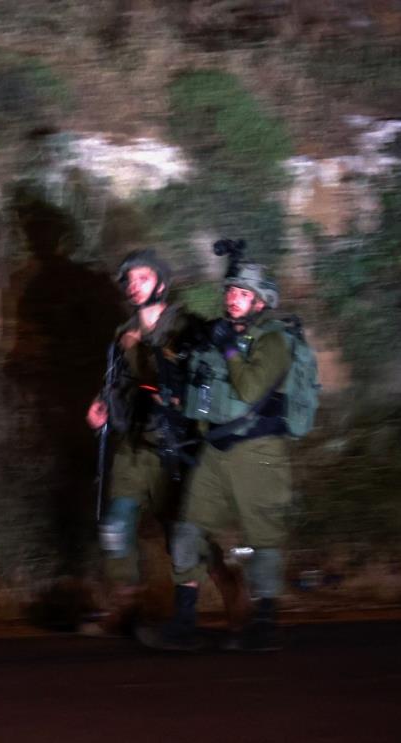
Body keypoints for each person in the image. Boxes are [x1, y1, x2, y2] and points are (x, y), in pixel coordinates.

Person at [138, 260, 292, 652]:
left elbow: (249, 389)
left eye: (243, 294)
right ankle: (184, 620)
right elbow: (202, 394)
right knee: (187, 527)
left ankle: (264, 621)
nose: (233, 299)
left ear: (260, 303)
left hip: (258, 452)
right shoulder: (217, 335)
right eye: (230, 292)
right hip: (215, 450)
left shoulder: (273, 342)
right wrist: (173, 399)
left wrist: (227, 346)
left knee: (262, 538)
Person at [84, 249, 232, 635]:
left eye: (143, 279)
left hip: (174, 445)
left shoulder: (185, 327)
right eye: (130, 281)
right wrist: (101, 404)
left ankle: (225, 584)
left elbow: (190, 381)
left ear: (161, 284)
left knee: (180, 532)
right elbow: (117, 382)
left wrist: (139, 352)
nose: (135, 287)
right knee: (115, 525)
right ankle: (126, 605)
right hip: (133, 443)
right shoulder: (124, 332)